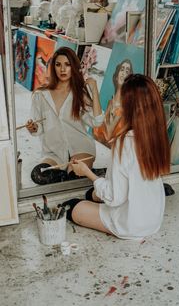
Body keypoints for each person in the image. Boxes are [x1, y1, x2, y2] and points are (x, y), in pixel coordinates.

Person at [62, 74, 171, 239]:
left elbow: (114, 198)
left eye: (120, 98)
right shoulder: (156, 135)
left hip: (131, 223)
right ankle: (95, 197)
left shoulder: (125, 143)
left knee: (72, 206)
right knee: (93, 193)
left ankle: (90, 203)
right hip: (153, 219)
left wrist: (86, 172)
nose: (115, 103)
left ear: (130, 106)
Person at [26, 46, 104, 185]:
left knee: (74, 177)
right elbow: (38, 127)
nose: (62, 69)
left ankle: (76, 172)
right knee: (38, 175)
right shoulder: (40, 95)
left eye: (67, 65)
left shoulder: (79, 93)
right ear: (53, 67)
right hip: (54, 152)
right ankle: (84, 172)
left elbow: (97, 121)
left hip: (80, 148)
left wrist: (94, 91)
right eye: (58, 64)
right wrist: (33, 128)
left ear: (73, 67)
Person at [93, 59, 133, 147]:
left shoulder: (124, 107)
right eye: (122, 69)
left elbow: (107, 135)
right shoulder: (111, 102)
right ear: (116, 76)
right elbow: (98, 131)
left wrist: (94, 91)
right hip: (100, 147)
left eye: (127, 71)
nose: (123, 73)